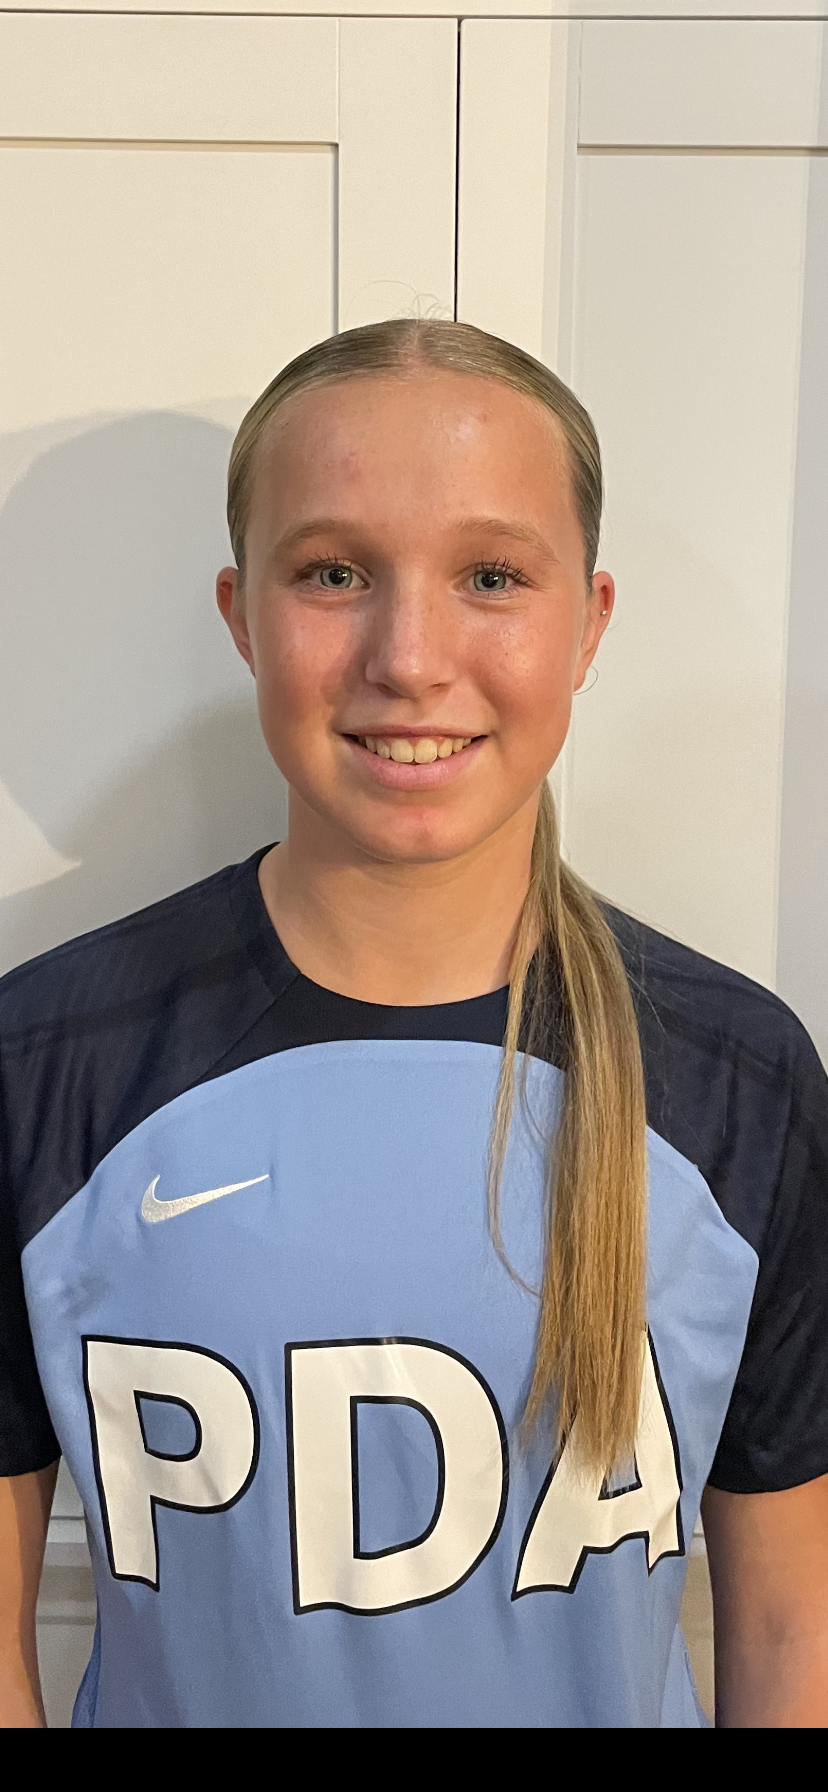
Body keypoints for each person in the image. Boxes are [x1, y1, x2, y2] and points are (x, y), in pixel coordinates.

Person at [1, 320, 827, 1729]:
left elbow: (789, 1629)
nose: (411, 657)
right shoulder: (49, 1063)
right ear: (241, 614)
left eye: (492, 576)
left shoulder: (737, 1075)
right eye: (334, 573)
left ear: (590, 623)